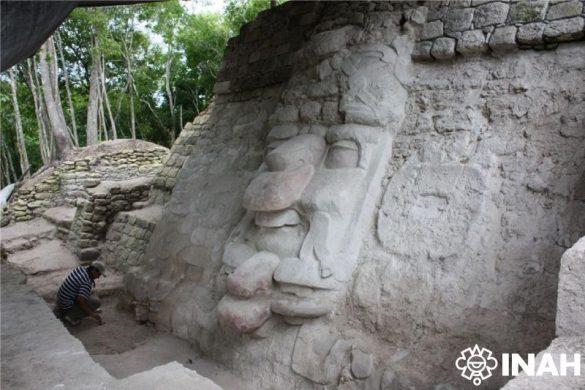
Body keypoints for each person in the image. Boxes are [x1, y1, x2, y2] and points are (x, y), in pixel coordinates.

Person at [53, 261, 106, 326]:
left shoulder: (80, 269)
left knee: (90, 294)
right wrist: (92, 314)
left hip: (61, 300)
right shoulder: (87, 281)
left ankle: (63, 310)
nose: (98, 277)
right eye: (99, 274)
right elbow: (80, 300)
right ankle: (70, 316)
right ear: (94, 270)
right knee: (96, 303)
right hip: (67, 306)